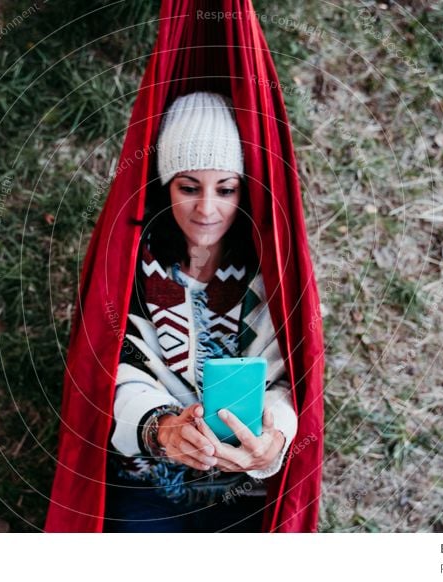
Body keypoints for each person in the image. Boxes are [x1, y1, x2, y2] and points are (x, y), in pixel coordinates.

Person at [103, 91, 299, 532]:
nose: (207, 209)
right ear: (164, 186)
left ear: (244, 191)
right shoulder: (128, 269)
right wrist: (164, 429)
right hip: (150, 481)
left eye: (225, 189)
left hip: (246, 485)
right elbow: (116, 373)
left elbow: (290, 379)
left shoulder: (276, 272)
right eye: (188, 187)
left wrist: (275, 436)